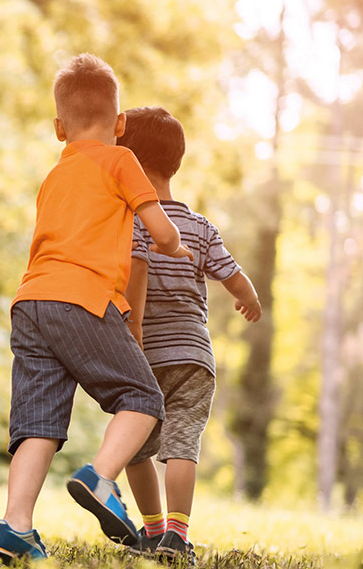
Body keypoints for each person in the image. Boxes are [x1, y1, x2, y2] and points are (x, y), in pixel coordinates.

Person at [0, 53, 194, 563]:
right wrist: (175, 247)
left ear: (59, 128)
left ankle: (14, 526)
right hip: (81, 298)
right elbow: (159, 225)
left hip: (30, 302)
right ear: (120, 125)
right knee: (144, 399)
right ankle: (101, 478)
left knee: (37, 423)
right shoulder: (122, 160)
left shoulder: (55, 176)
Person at [117, 107, 262, 565]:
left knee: (136, 449)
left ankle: (153, 529)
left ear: (128, 162)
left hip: (143, 354)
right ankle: (177, 535)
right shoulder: (199, 227)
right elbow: (234, 277)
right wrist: (250, 300)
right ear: (175, 162)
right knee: (183, 444)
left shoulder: (129, 222)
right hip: (194, 357)